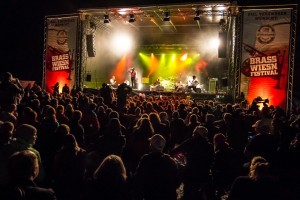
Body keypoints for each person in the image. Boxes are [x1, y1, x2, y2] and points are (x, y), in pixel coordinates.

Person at [134, 134, 181, 200]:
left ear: (152, 146)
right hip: (167, 195)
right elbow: (177, 181)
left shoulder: (146, 159)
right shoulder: (170, 160)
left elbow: (139, 178)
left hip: (151, 195)